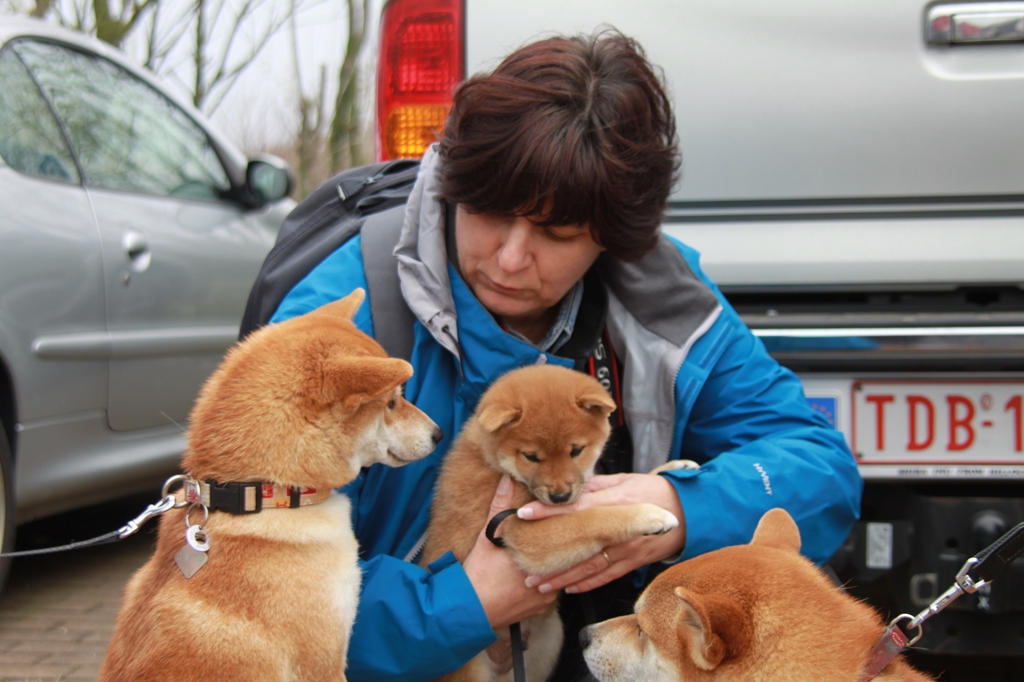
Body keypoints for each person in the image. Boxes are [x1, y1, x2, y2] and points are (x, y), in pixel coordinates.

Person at [271, 30, 861, 682]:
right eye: (491, 212)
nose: (511, 258)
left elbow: (818, 466)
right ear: (455, 180)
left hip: (580, 640)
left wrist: (679, 508)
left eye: (556, 234)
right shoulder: (342, 316)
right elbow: (245, 579)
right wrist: (466, 602)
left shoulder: (664, 305)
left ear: (610, 239)